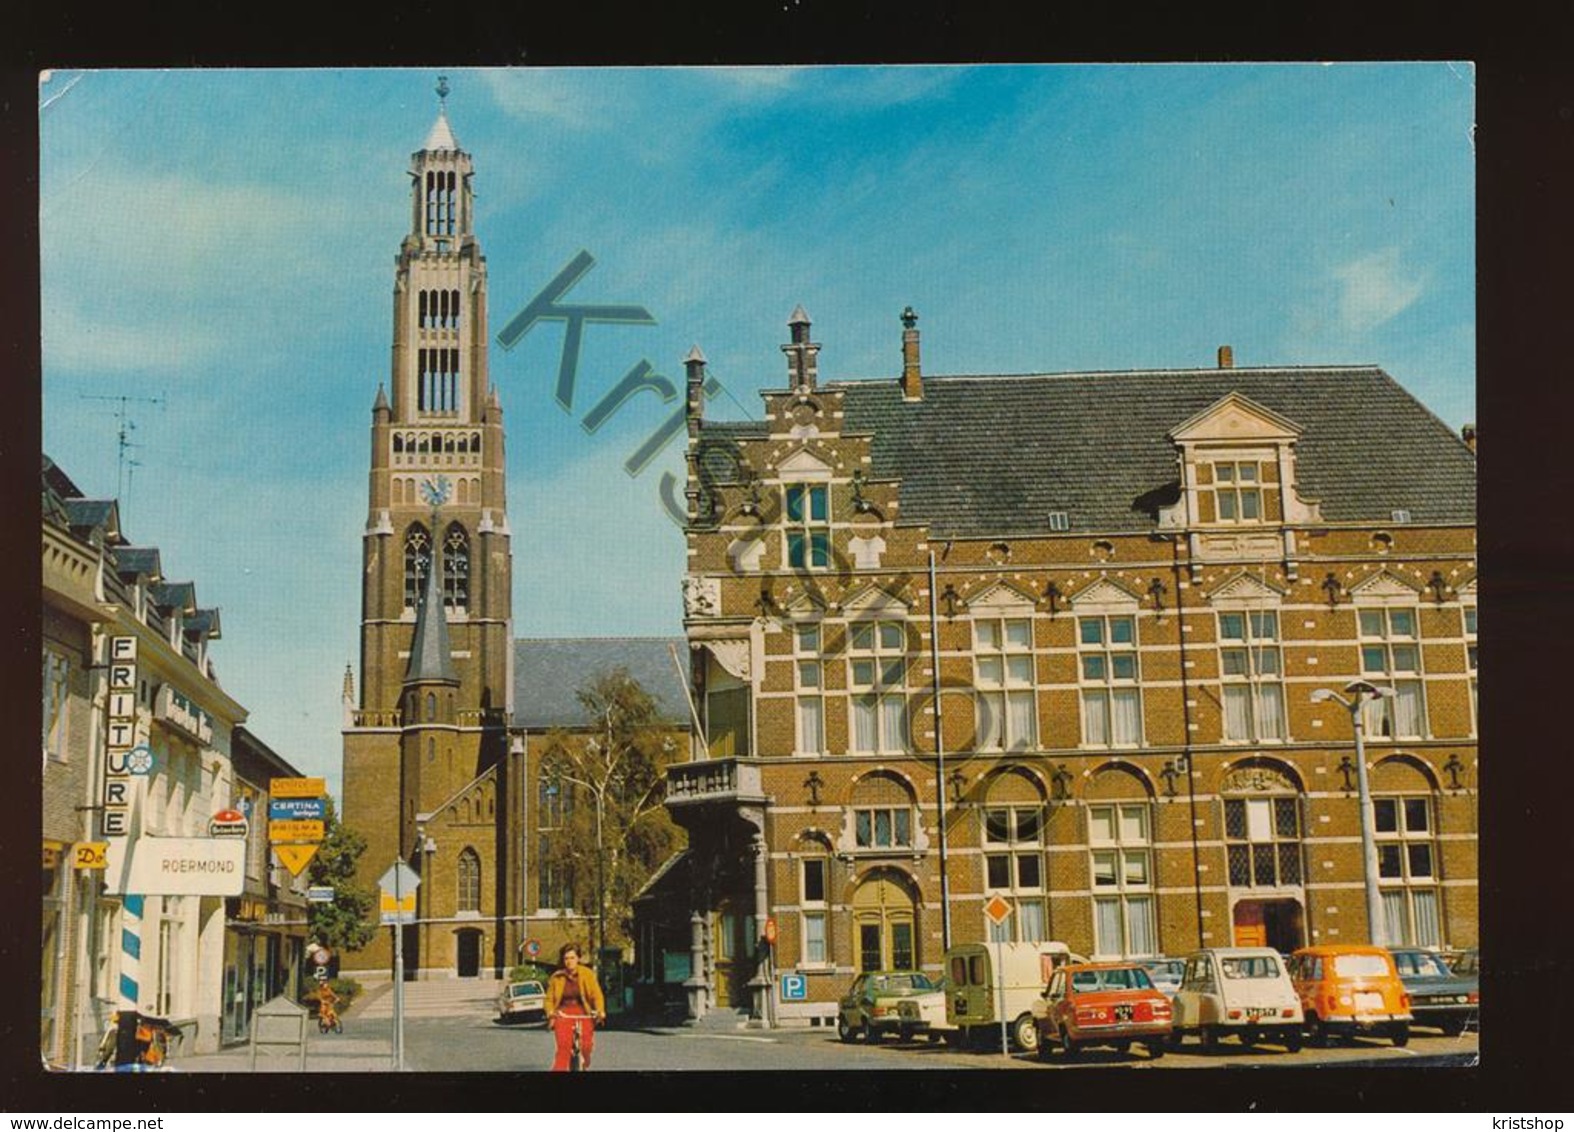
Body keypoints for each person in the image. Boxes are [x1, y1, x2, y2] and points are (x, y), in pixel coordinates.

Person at [544, 943, 605, 1070]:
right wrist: (550, 1012)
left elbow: (596, 995)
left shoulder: (587, 974)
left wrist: (600, 1010)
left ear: (578, 958)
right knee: (564, 1047)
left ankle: (585, 1062)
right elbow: (549, 999)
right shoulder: (557, 977)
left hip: (583, 1012)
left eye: (572, 958)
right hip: (563, 1014)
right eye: (566, 958)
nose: (569, 962)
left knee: (586, 1046)